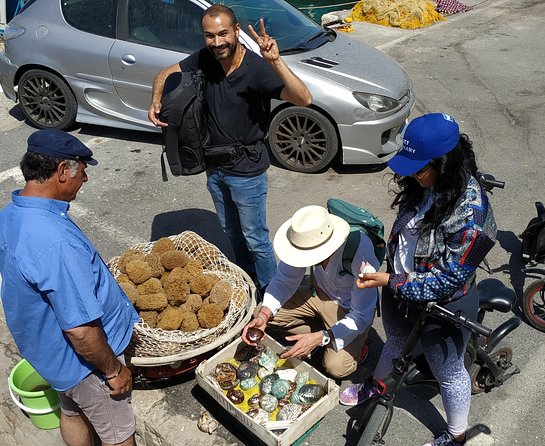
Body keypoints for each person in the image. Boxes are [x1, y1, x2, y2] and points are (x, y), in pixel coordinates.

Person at [339, 113, 497, 446]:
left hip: (443, 307)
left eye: (418, 168)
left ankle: (456, 436)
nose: (409, 175)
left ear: (445, 164)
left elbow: (449, 280)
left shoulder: (474, 215)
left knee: (449, 372)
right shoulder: (423, 182)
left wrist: (389, 280)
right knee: (395, 344)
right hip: (398, 291)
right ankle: (378, 385)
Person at [148, 5, 312, 293]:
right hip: (214, 167)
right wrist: (156, 101)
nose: (217, 42)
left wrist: (276, 62)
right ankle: (249, 281)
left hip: (247, 171)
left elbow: (304, 98)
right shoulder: (204, 58)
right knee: (231, 233)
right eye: (209, 35)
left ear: (236, 31)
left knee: (256, 239)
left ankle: (273, 297)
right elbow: (162, 74)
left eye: (223, 33)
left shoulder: (257, 69)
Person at [0, 130, 140, 446]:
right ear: (63, 171)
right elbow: (81, 331)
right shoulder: (55, 242)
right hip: (84, 364)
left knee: (73, 411)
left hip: (48, 354)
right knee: (118, 435)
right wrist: (114, 370)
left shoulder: (11, 215)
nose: (86, 179)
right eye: (83, 170)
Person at [241, 205, 379, 378]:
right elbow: (284, 280)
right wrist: (263, 315)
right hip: (318, 292)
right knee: (261, 312)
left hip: (350, 309)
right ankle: (321, 333)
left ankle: (353, 343)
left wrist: (321, 337)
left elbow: (361, 314)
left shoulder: (360, 251)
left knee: (336, 367)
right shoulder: (306, 237)